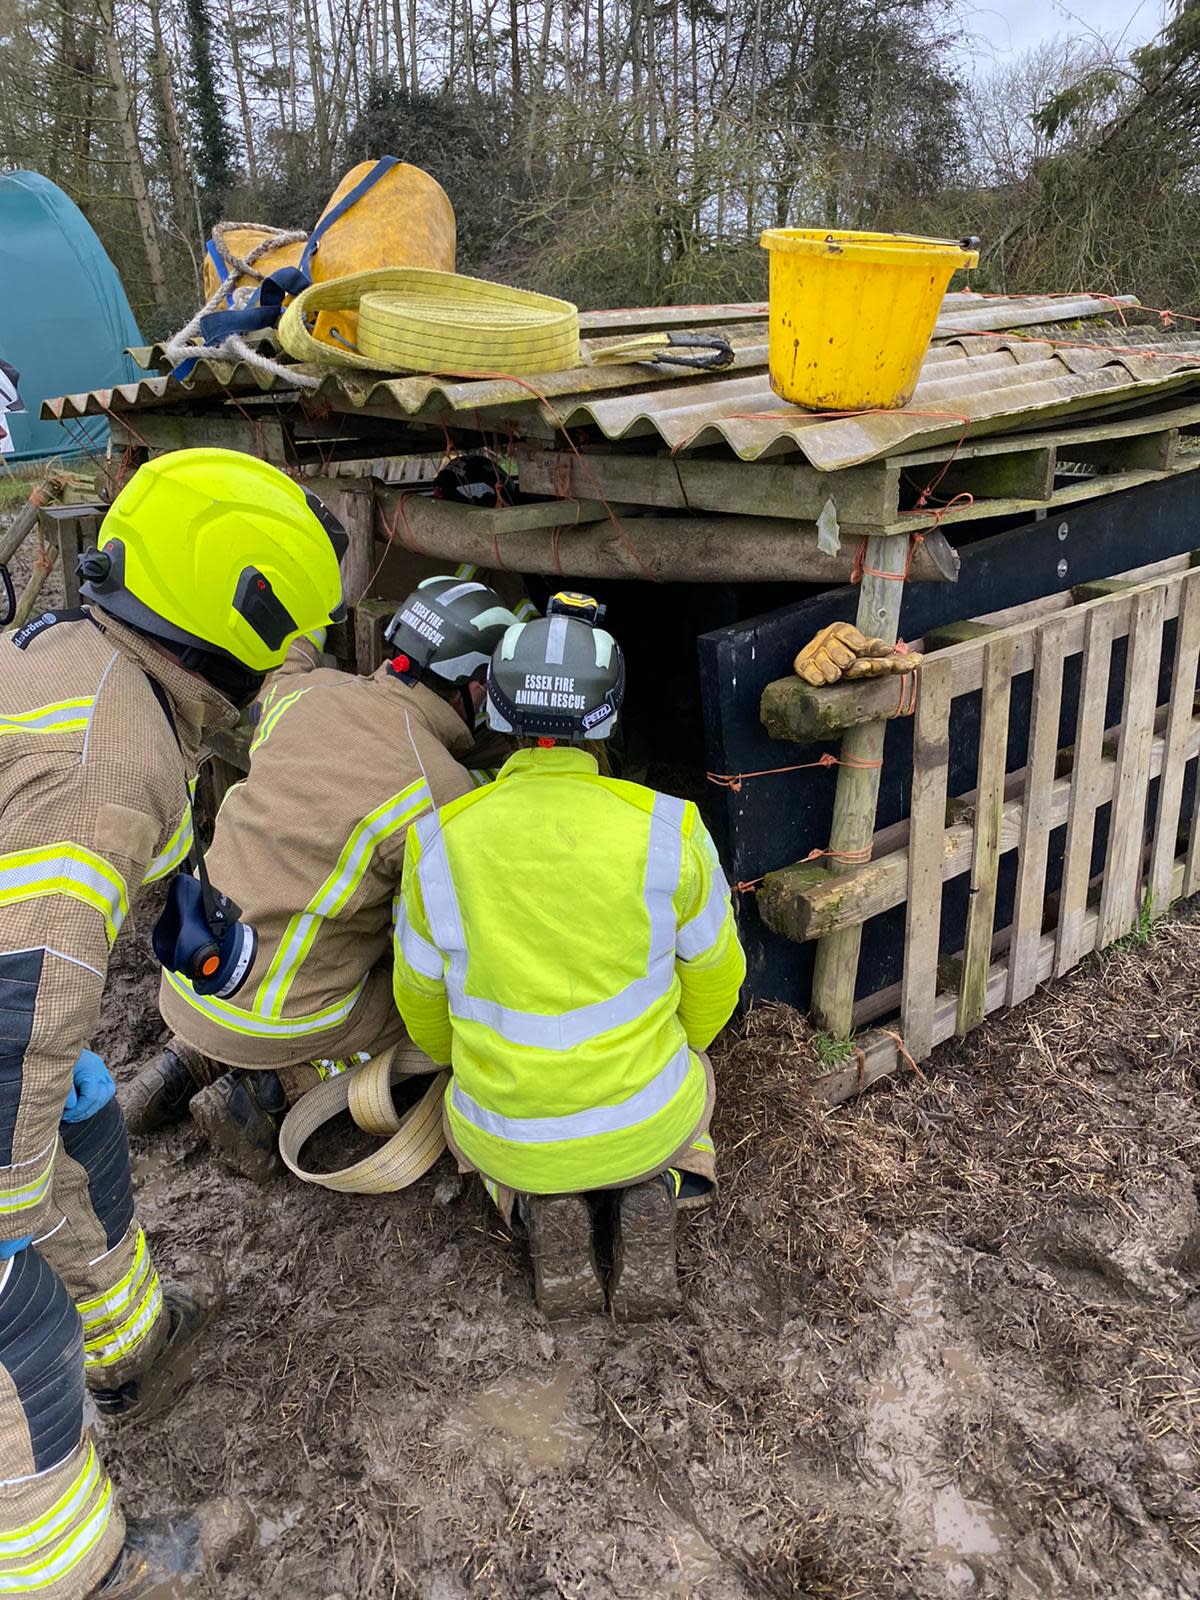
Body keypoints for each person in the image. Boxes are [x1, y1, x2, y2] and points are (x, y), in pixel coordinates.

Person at [0, 447, 346, 1597]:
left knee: (82, 1121)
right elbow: (22, 1008)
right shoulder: (108, 764)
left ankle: (136, 1346)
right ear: (234, 623)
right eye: (286, 638)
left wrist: (176, 895)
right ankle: (78, 1572)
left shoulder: (81, 649)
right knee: (14, 1307)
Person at [391, 592, 746, 1319]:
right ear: (609, 718)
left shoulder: (439, 841)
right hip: (641, 1114)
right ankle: (661, 1186)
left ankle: (529, 1205)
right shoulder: (668, 831)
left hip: (510, 1127)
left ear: (495, 710)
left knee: (484, 1138)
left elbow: (419, 1004)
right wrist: (681, 1046)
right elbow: (718, 981)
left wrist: (471, 1064)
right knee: (691, 1091)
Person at [129, 577, 520, 1181]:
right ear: (474, 687)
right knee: (435, 1008)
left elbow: (287, 660)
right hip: (283, 1018)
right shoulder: (438, 789)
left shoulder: (302, 694)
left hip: (188, 975)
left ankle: (186, 1060)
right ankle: (277, 1088)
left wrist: (307, 623)